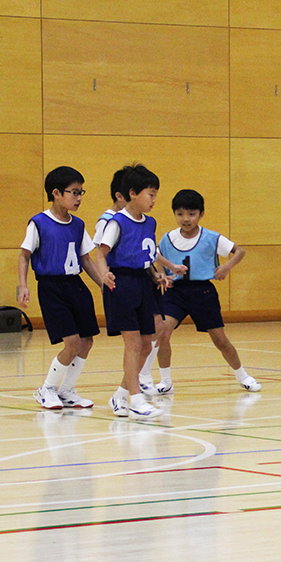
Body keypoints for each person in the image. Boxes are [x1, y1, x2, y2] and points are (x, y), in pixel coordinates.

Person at [16, 166, 114, 410]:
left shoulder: (78, 225)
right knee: (71, 342)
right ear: (57, 193)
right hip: (51, 287)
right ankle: (46, 388)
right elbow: (24, 256)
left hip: (75, 285)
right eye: (74, 192)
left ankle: (67, 390)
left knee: (87, 340)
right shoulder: (39, 223)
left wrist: (104, 284)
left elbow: (87, 260)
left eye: (82, 192)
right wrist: (23, 285)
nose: (79, 198)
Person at [154, 189, 261, 394]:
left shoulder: (212, 238)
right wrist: (162, 276)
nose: (185, 219)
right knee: (162, 332)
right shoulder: (167, 238)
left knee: (220, 339)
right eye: (180, 213)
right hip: (175, 292)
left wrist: (226, 267)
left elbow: (240, 251)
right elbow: (159, 259)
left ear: (201, 214)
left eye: (191, 214)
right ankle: (165, 381)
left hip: (202, 292)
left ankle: (242, 375)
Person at [94, 164, 176, 420]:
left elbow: (146, 257)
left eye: (155, 194)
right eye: (150, 194)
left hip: (143, 283)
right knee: (132, 343)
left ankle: (120, 395)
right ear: (132, 193)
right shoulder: (116, 222)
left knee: (145, 342)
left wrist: (156, 274)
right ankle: (136, 399)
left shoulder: (150, 222)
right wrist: (104, 273)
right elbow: (100, 254)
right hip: (122, 284)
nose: (154, 199)